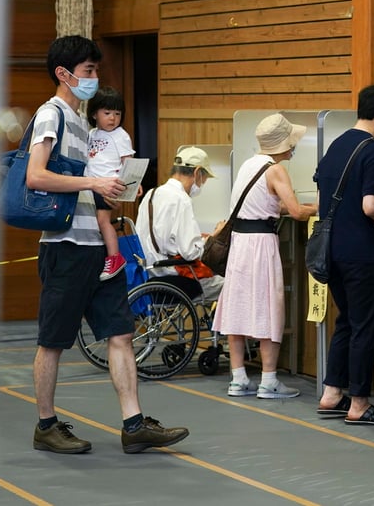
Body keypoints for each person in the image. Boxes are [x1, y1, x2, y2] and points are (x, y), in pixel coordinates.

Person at [26, 35, 188, 455]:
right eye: (89, 72)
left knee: (120, 332)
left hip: (99, 244)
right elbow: (35, 176)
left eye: (96, 71)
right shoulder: (51, 115)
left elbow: (87, 184)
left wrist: (110, 190)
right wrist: (93, 181)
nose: (95, 79)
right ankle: (45, 424)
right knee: (54, 339)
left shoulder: (84, 123)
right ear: (64, 74)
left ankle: (133, 424)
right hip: (65, 245)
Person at [315, 82, 374, 426]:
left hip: (330, 251)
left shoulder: (336, 145)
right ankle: (360, 402)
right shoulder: (371, 151)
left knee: (346, 321)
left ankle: (332, 393)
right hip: (359, 251)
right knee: (364, 326)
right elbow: (370, 206)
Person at [212, 114, 317, 399]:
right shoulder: (276, 170)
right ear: (284, 144)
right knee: (268, 306)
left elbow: (265, 204)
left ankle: (238, 378)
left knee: (238, 306)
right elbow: (295, 211)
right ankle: (268, 380)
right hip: (261, 245)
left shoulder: (248, 165)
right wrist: (318, 207)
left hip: (240, 243)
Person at [135, 146, 224, 302]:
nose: (203, 183)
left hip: (149, 274)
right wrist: (215, 236)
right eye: (205, 178)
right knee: (232, 284)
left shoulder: (151, 194)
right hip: (175, 277)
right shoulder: (181, 199)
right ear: (197, 172)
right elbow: (190, 252)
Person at [86, 86, 135, 281]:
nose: (113, 118)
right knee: (95, 221)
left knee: (102, 221)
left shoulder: (120, 135)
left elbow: (128, 162)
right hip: (92, 185)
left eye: (117, 113)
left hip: (109, 186)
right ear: (94, 114)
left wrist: (132, 184)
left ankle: (115, 257)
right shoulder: (91, 134)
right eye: (107, 113)